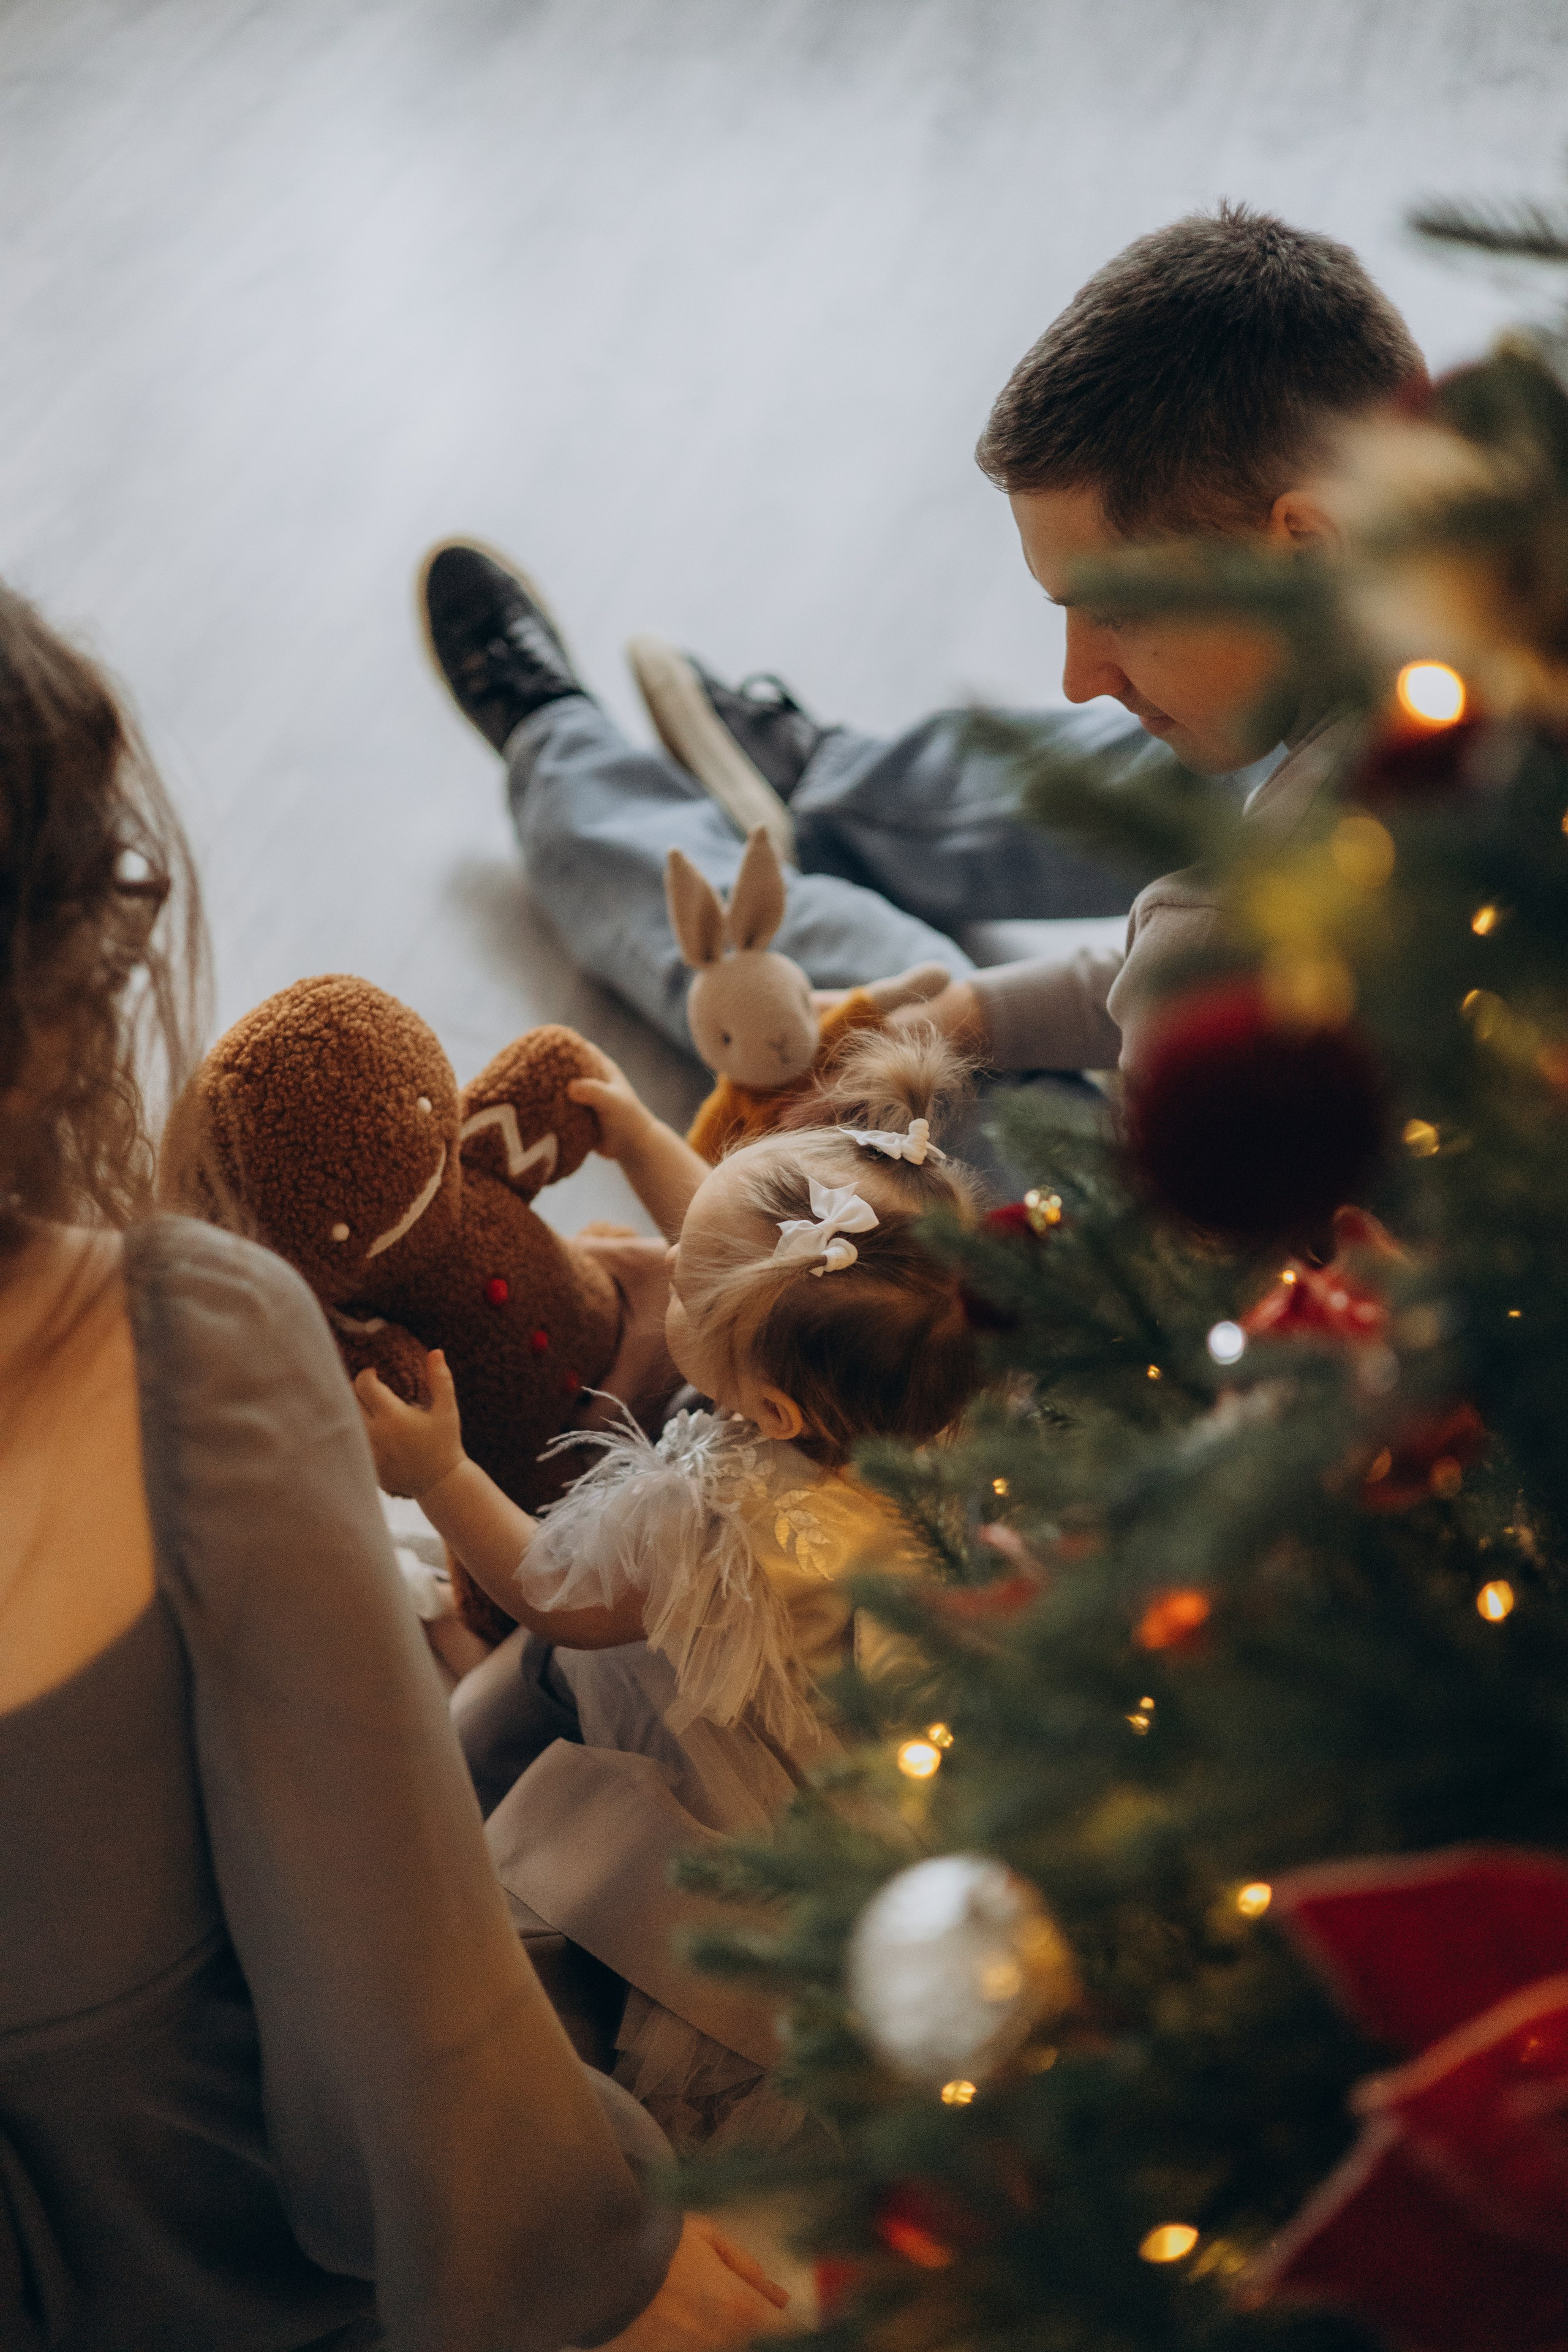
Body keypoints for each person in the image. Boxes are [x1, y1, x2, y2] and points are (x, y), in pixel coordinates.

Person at [0, 583, 786, 2351]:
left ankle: (613, 745)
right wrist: (602, 2252)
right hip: (238, 2261)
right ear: (70, 982)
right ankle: (609, 744)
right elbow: (393, 1950)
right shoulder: (191, 1350)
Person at [419, 204, 1422, 1074]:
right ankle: (834, 789)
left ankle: (567, 758)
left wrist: (993, 1015)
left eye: (1118, 610)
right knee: (1199, 722)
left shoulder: (1227, 943)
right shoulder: (1478, 593)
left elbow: (1173, 1260)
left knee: (870, 1041)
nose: (1074, 678)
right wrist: (983, 1009)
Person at [355, 1028, 981, 2150]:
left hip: (733, 1774)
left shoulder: (720, 1525)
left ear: (773, 1413)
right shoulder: (910, 1393)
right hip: (860, 1700)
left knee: (507, 1765)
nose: (666, 1294)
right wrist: (641, 1138)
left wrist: (438, 1474)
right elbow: (754, 1264)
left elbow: (557, 1590)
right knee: (524, 1683)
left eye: (682, 1305)